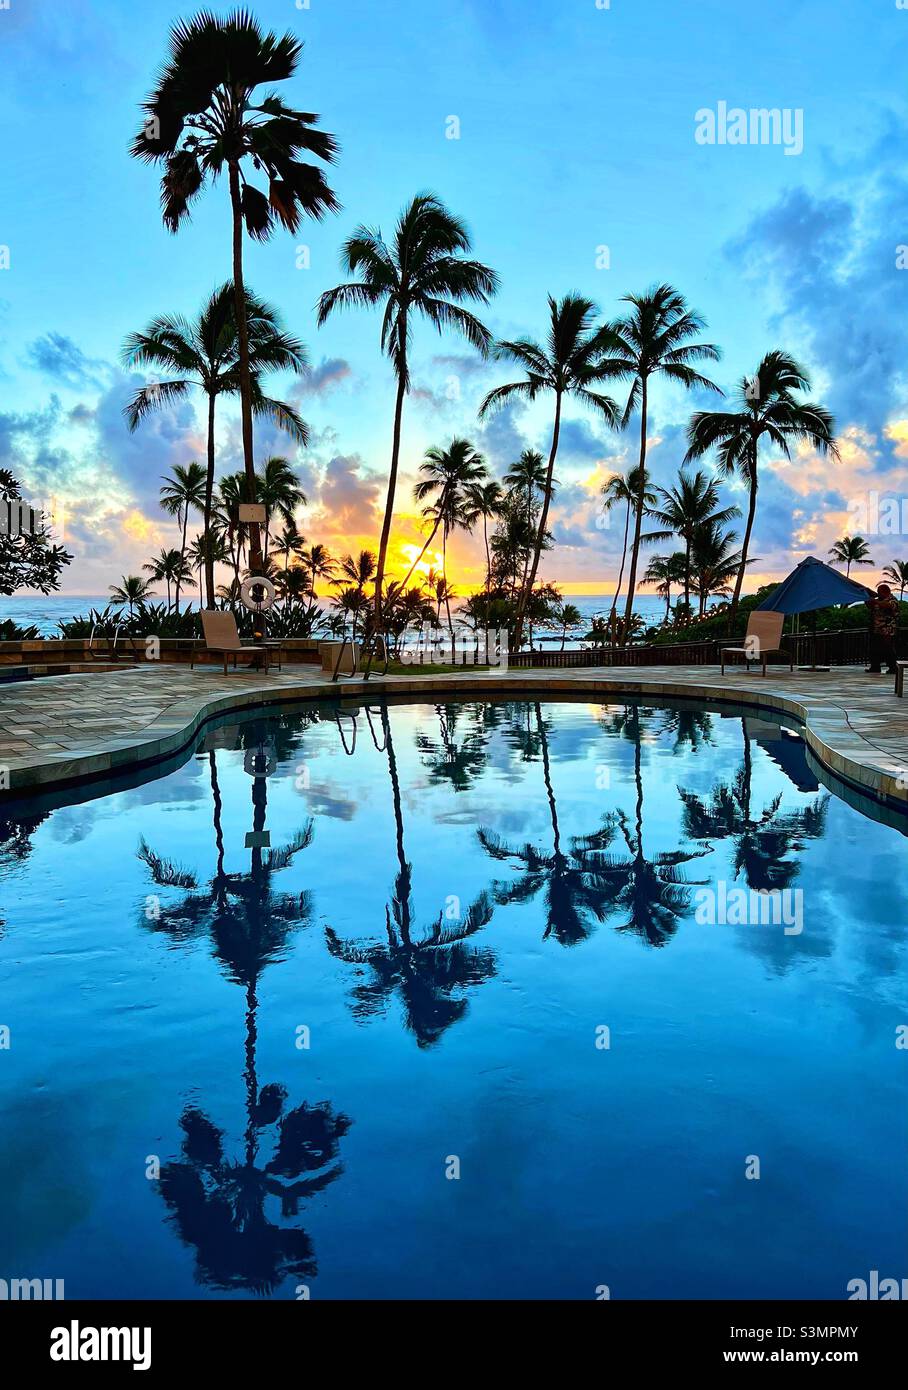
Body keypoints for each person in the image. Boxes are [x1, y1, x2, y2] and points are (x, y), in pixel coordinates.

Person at [865, 582, 899, 674]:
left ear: (885, 592)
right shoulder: (878, 600)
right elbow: (869, 606)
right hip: (876, 630)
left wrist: (875, 600)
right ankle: (875, 667)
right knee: (874, 650)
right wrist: (867, 596)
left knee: (888, 650)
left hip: (887, 631)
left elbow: (886, 605)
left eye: (879, 592)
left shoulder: (892, 600)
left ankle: (893, 667)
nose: (878, 594)